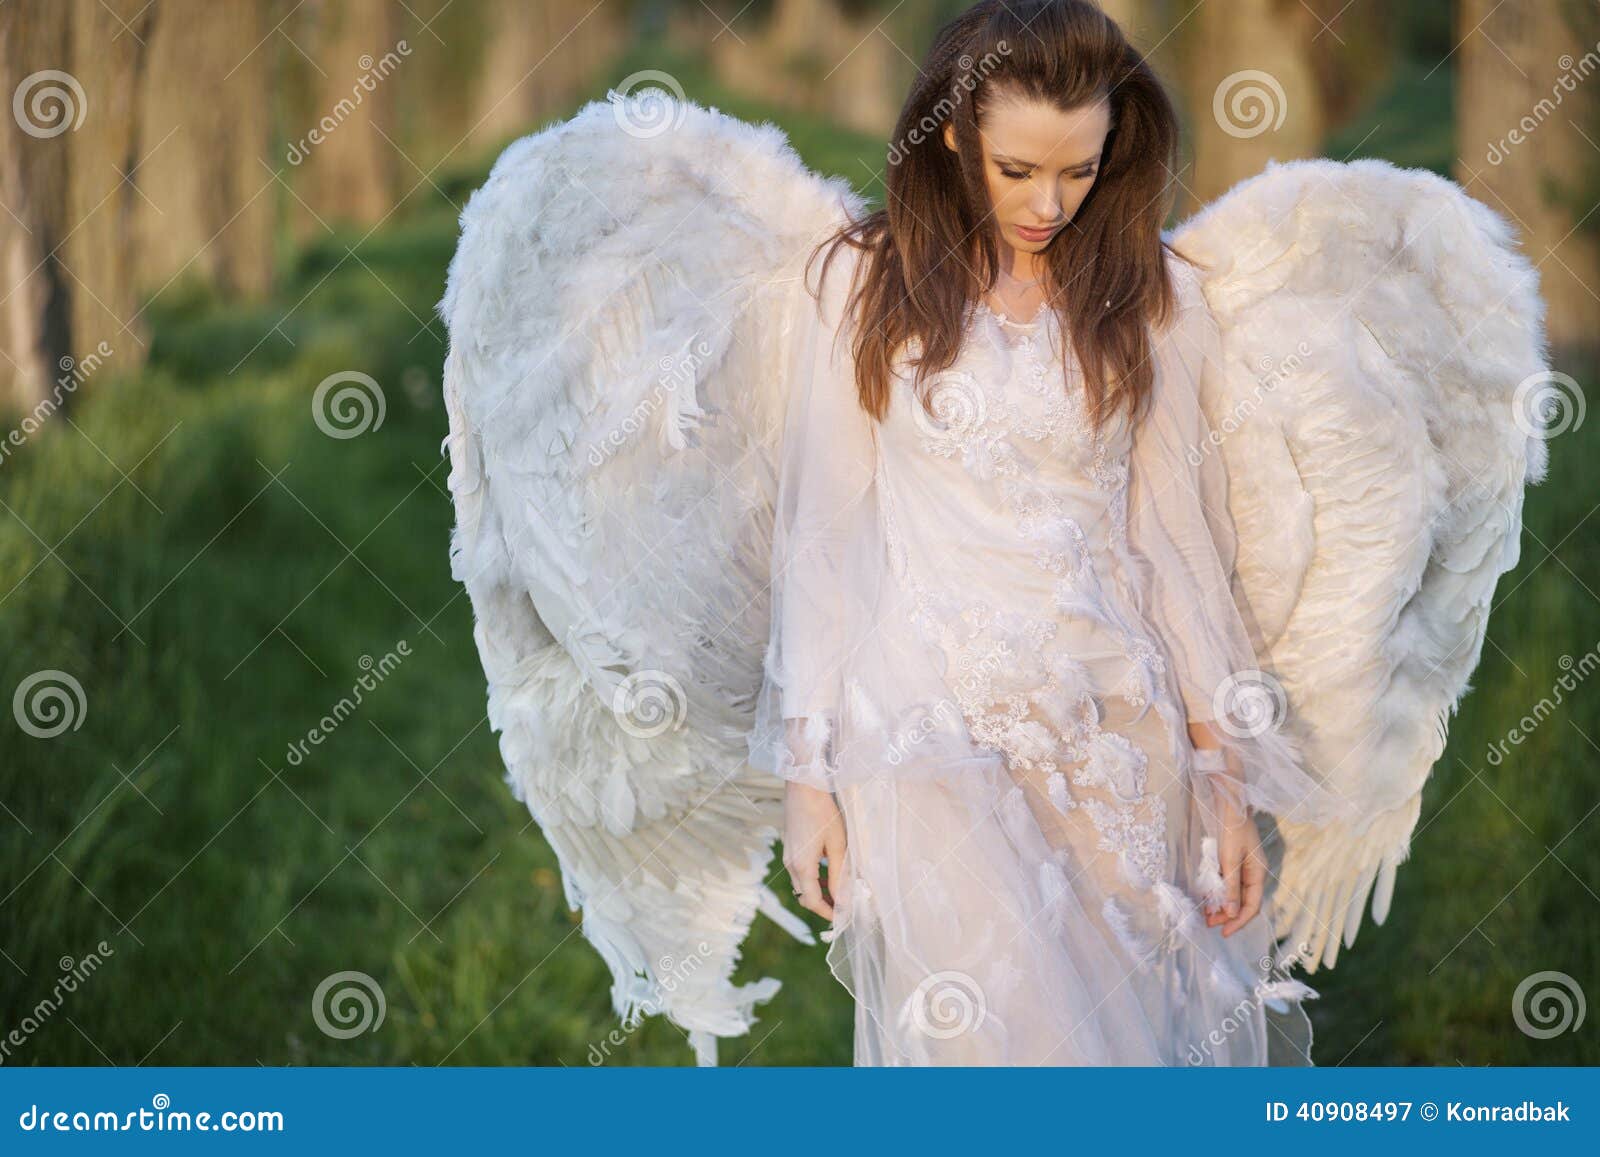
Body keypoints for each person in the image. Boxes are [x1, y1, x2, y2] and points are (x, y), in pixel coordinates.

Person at [745, 0, 1335, 1065]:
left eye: (1080, 169)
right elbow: (822, 536)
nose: (1049, 203)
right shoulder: (856, 284)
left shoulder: (1149, 293)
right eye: (1017, 169)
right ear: (956, 134)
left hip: (1114, 726)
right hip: (929, 731)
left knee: (1133, 1047)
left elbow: (1175, 540)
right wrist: (806, 771)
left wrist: (1222, 779)